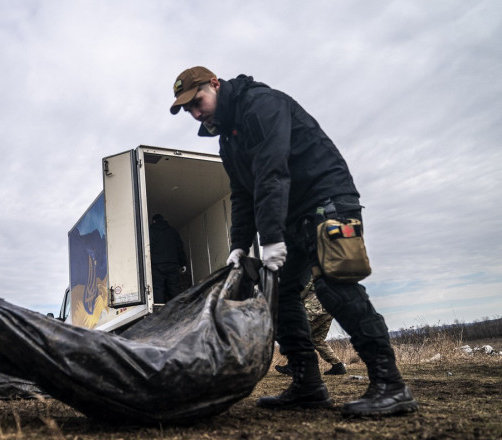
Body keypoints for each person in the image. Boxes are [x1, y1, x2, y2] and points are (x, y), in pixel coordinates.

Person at [169, 66, 417, 416]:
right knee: (279, 294)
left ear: (215, 84)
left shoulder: (262, 105)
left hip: (326, 199)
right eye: (188, 110)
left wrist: (270, 238)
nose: (196, 112)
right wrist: (238, 247)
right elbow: (242, 193)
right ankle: (307, 385)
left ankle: (391, 384)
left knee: (334, 284)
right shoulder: (229, 138)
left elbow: (273, 171)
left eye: (198, 101)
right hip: (289, 212)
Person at [275, 278, 347, 376]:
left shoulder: (310, 271)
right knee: (317, 339)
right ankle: (338, 366)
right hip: (329, 309)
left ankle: (294, 366)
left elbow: (302, 290)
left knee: (297, 334)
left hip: (314, 309)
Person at [149, 214, 188, 303]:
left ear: (154, 221)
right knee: (174, 287)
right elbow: (179, 248)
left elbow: (147, 247)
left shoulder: (151, 231)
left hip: (157, 264)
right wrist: (183, 263)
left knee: (158, 287)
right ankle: (179, 308)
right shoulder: (173, 231)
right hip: (172, 264)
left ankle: (159, 310)